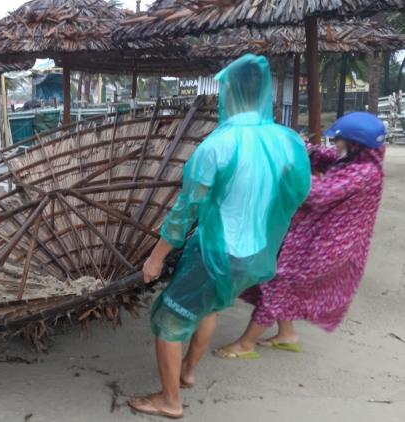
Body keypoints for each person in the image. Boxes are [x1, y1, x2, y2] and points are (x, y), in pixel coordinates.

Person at [127, 54, 311, 418]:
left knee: (168, 319)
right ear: (263, 93)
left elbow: (184, 213)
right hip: (256, 251)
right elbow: (298, 192)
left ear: (227, 93)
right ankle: (189, 372)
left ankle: (169, 400)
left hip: (216, 250)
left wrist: (156, 257)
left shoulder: (215, 147)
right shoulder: (287, 141)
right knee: (205, 305)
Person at [216, 112, 386, 359]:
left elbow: (317, 194)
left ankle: (245, 344)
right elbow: (316, 154)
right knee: (280, 281)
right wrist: (284, 140)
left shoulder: (364, 172)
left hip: (328, 245)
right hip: (312, 236)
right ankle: (287, 335)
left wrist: (289, 170)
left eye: (341, 141)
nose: (336, 146)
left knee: (280, 284)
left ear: (356, 144)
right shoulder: (350, 159)